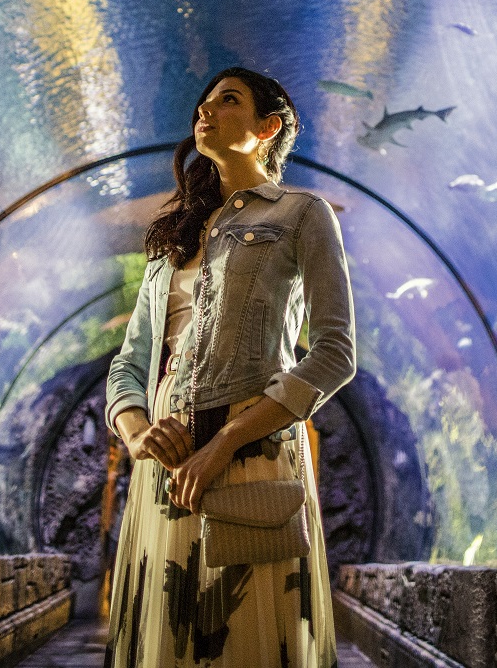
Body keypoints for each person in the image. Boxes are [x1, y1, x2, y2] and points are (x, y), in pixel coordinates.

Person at [104, 67, 356, 667]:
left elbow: (334, 353)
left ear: (268, 127)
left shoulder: (302, 213)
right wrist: (138, 436)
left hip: (253, 459)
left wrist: (225, 441)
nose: (206, 110)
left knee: (247, 637)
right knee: (167, 641)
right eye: (204, 103)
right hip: (164, 469)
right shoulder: (172, 238)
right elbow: (128, 364)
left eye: (228, 100)